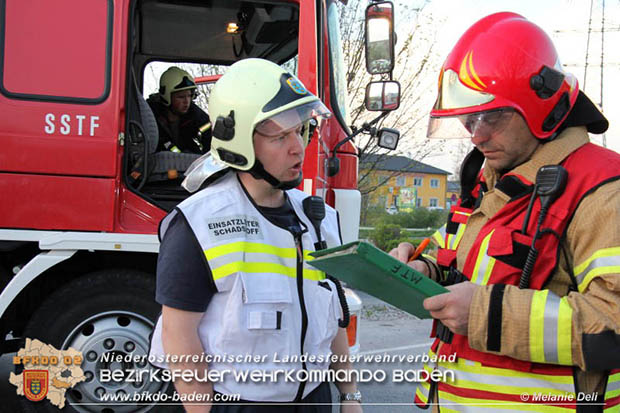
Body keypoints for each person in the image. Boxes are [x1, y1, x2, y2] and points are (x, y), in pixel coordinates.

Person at [391, 12, 620, 412]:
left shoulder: (602, 190)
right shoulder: (492, 182)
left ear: (540, 105)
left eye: (491, 116)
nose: (476, 136)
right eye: (468, 119)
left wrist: (482, 312)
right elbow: (459, 255)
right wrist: (425, 267)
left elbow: (612, 326)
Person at [149, 58, 362, 413]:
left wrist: (350, 396)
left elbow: (333, 317)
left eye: (301, 131)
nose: (298, 147)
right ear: (241, 142)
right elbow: (179, 337)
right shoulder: (199, 224)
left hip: (314, 402)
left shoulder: (320, 220)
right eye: (281, 136)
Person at [147, 66, 211, 154]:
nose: (187, 102)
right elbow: (164, 144)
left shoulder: (193, 112)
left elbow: (209, 131)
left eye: (189, 96)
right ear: (167, 97)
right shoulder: (152, 116)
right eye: (181, 97)